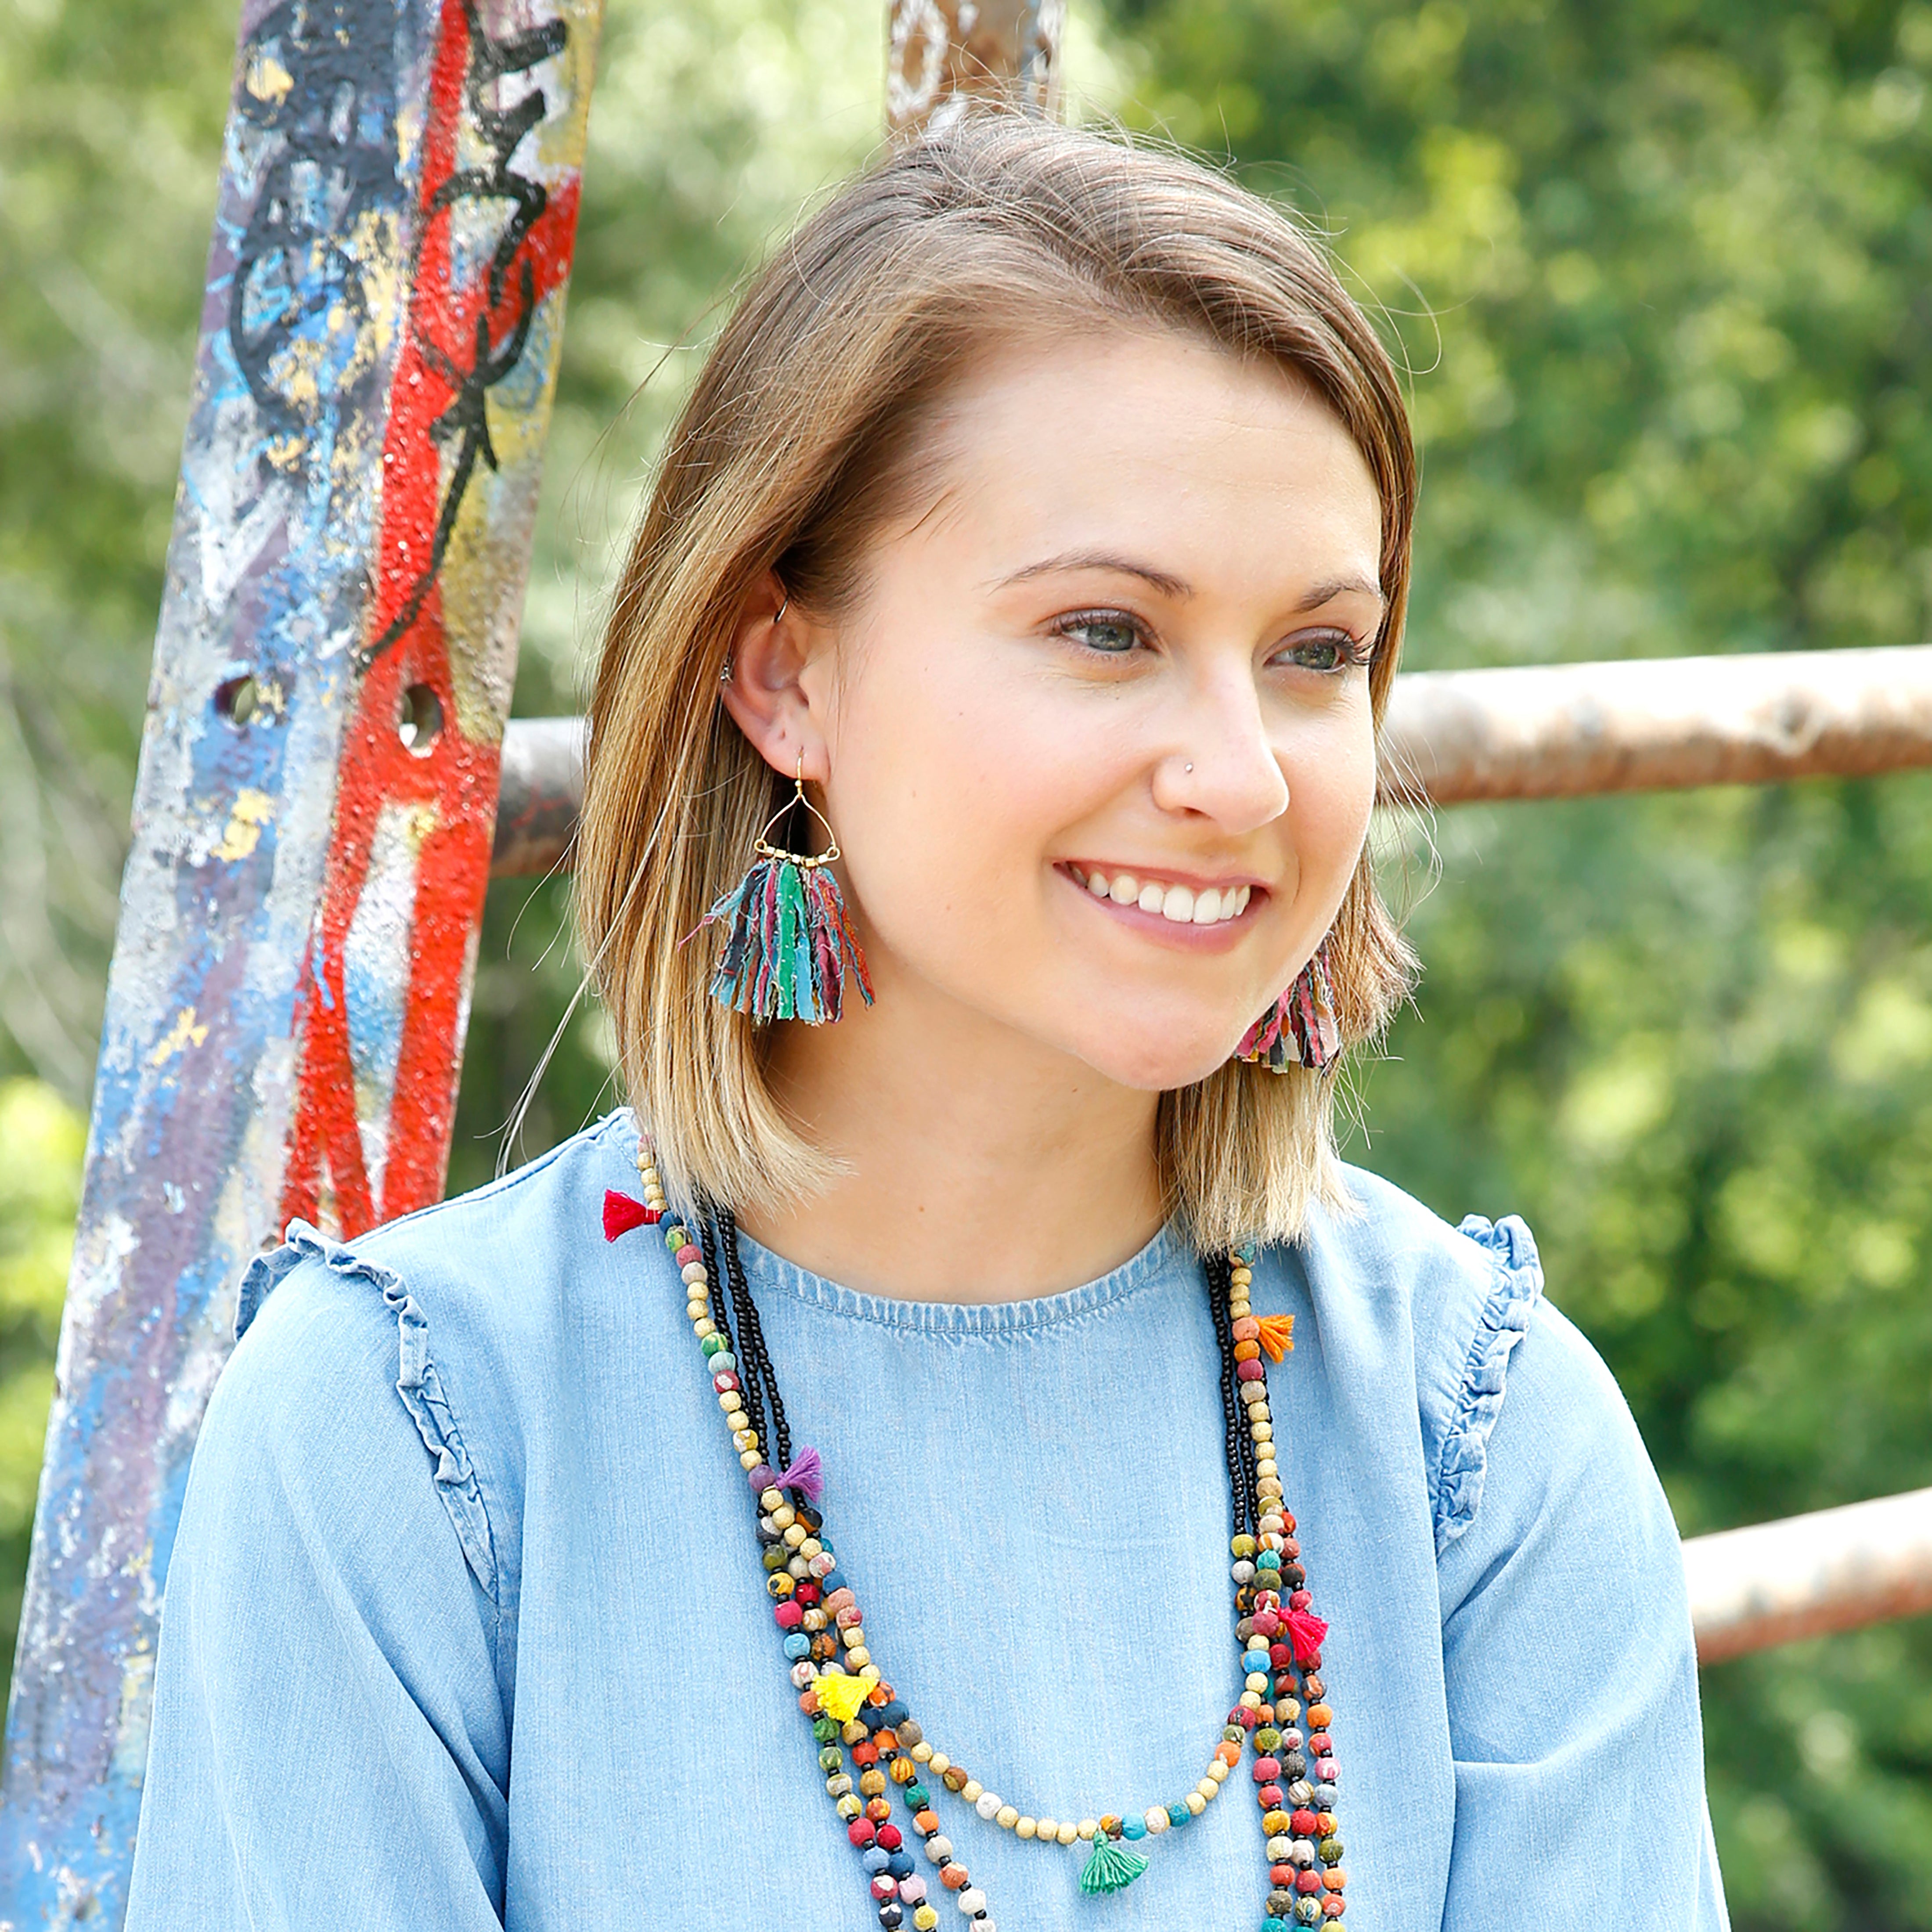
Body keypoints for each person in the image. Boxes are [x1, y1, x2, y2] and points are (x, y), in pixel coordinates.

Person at [126, 114, 1729, 1929]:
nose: (1240, 775)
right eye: (1106, 629)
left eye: (1316, 653)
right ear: (783, 674)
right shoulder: (402, 1440)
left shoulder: (1477, 1437)